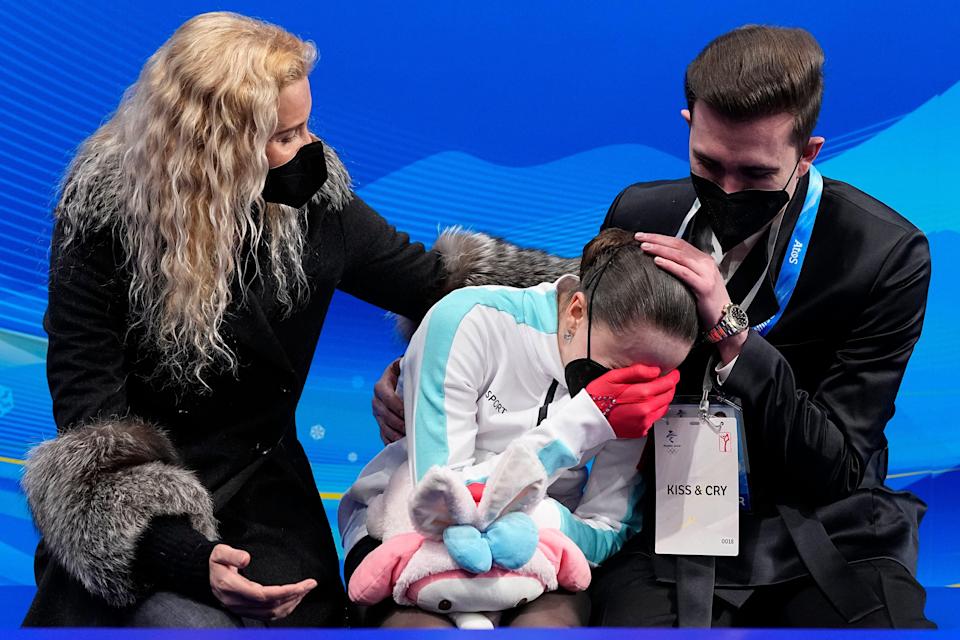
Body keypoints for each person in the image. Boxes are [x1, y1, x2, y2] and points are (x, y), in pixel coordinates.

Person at [374, 25, 936, 628]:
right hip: (663, 521)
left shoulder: (883, 255)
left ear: (808, 153)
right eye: (708, 162)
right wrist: (427, 376)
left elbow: (840, 468)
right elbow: (573, 353)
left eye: (754, 174)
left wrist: (733, 335)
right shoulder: (641, 212)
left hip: (821, 524)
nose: (726, 189)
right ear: (687, 121)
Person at [21, 12, 569, 628]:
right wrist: (184, 556)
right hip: (142, 524)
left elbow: (435, 283)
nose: (310, 149)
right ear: (213, 153)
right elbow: (92, 429)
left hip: (266, 501)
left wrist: (598, 285)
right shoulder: (102, 224)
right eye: (286, 135)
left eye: (307, 124)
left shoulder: (316, 206)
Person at [342, 229, 697, 627]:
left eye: (651, 379)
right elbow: (442, 500)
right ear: (576, 311)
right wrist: (586, 422)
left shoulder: (641, 390)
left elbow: (610, 526)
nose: (631, 391)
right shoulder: (467, 320)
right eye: (617, 372)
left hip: (539, 551)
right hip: (406, 532)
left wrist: (543, 523)